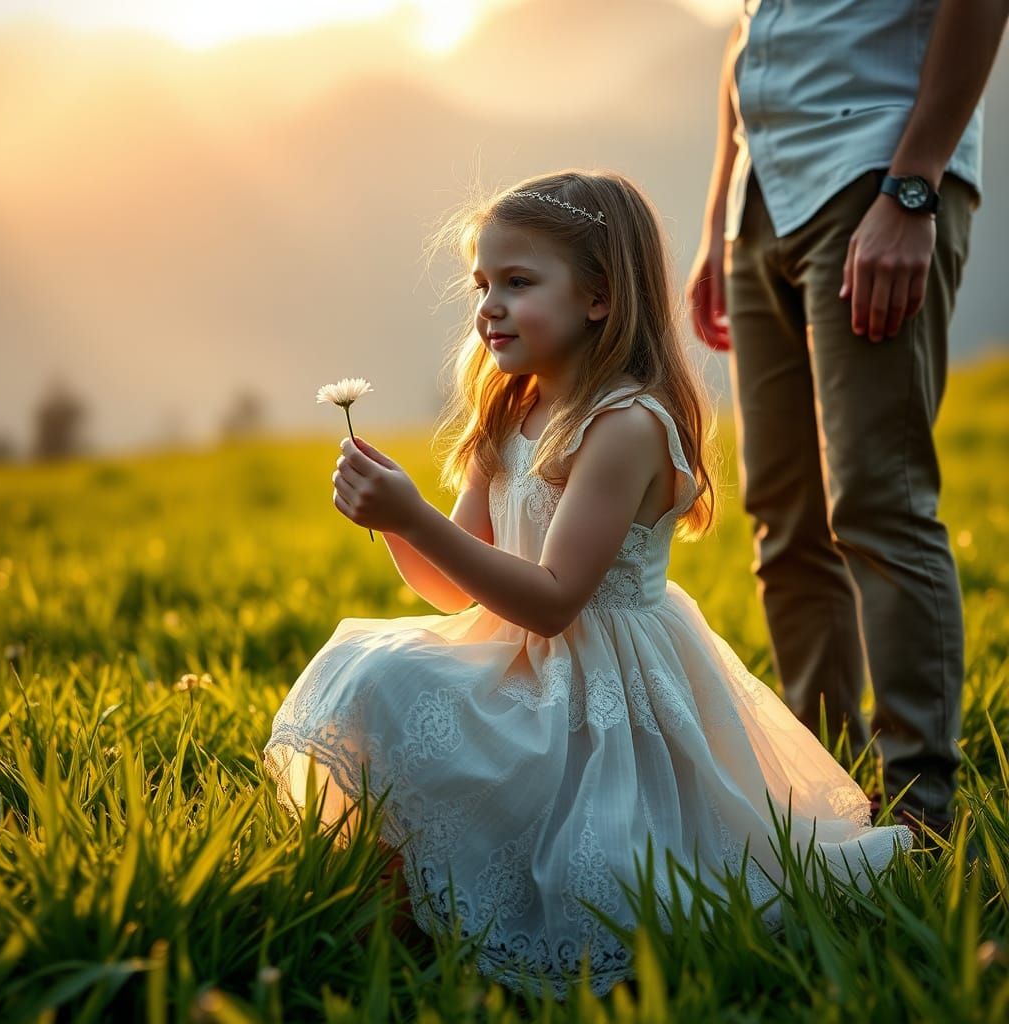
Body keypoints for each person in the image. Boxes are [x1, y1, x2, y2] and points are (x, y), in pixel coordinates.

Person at [264, 170, 912, 1001]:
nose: (489, 307)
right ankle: (402, 915)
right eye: (483, 285)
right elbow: (449, 588)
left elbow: (554, 597)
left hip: (604, 681)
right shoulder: (512, 410)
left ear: (600, 298)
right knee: (371, 670)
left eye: (519, 283)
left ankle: (453, 929)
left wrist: (414, 516)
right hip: (517, 656)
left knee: (393, 682)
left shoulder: (626, 424)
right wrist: (392, 520)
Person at [685, 0, 1006, 841]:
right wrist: (719, 218)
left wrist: (914, 186)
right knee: (784, 518)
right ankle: (822, 796)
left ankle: (919, 818)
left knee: (877, 499)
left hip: (875, 177)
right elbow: (745, 36)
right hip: (763, 199)